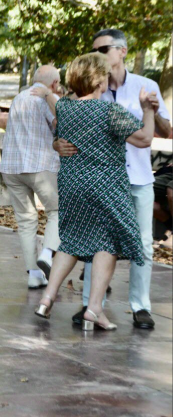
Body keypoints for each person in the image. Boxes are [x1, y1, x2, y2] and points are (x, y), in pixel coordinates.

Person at [58, 29, 171, 330]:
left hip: (139, 178)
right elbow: (61, 128)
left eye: (103, 48)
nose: (97, 53)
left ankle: (141, 307)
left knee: (143, 244)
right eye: (94, 49)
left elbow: (164, 130)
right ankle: (91, 307)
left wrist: (154, 111)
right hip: (101, 181)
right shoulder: (88, 87)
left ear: (122, 51)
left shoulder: (146, 85)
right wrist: (58, 144)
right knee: (96, 243)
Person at [34, 52, 156, 331]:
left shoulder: (65, 108)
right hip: (106, 186)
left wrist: (56, 143)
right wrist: (147, 111)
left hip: (72, 184)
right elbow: (145, 139)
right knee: (107, 244)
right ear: (100, 81)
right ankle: (94, 309)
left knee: (72, 240)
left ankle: (46, 299)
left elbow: (57, 126)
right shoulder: (109, 111)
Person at [0, 65, 62, 289]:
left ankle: (34, 274)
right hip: (40, 165)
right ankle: (46, 253)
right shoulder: (47, 98)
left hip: (12, 167)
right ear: (54, 84)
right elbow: (59, 125)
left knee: (26, 220)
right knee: (58, 210)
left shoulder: (19, 97)